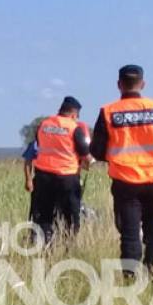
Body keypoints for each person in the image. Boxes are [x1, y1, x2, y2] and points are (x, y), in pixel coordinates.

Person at [90, 65, 153, 277]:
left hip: (125, 181)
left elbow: (96, 149)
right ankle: (150, 263)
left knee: (129, 231)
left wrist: (115, 157)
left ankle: (131, 277)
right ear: (142, 84)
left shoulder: (108, 111)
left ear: (119, 85)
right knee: (152, 221)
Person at [27, 96, 91, 242]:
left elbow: (37, 147)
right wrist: (90, 163)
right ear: (74, 114)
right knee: (70, 216)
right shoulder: (74, 128)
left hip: (43, 177)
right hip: (66, 178)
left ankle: (43, 246)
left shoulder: (44, 124)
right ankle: (67, 245)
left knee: (44, 215)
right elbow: (85, 155)